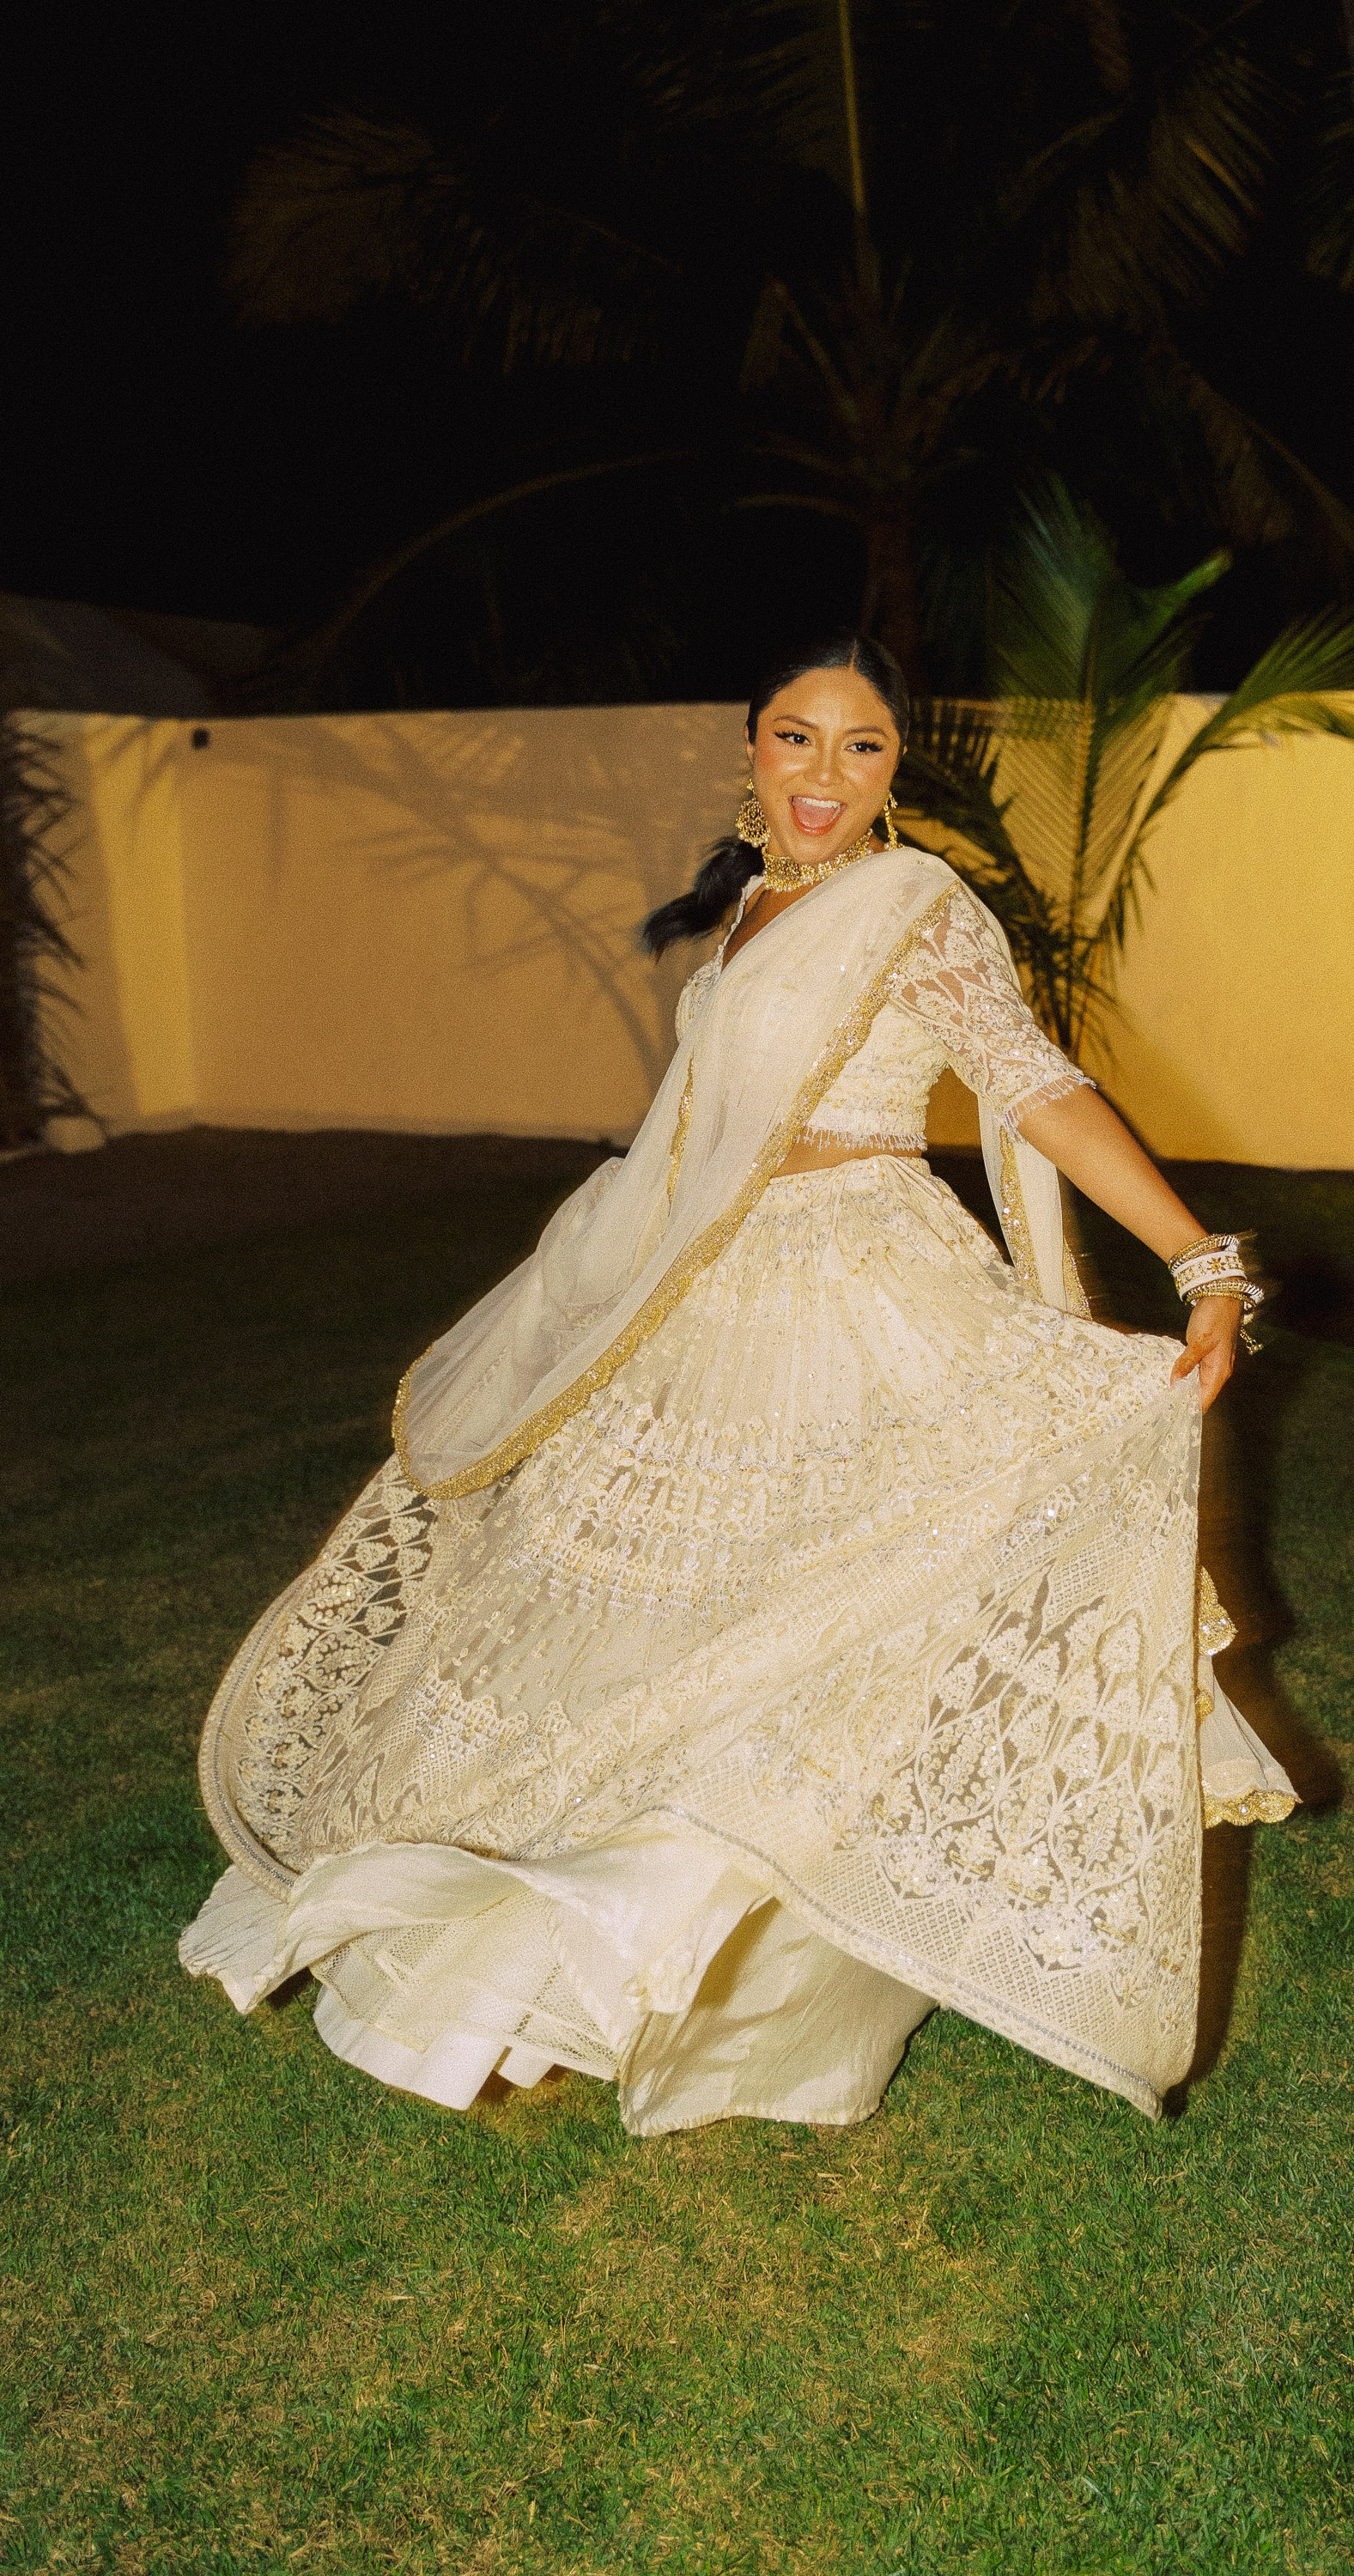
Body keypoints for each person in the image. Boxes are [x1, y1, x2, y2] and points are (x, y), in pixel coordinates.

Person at [180, 632, 1296, 2137]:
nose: (825, 773)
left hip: (859, 1292)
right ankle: (586, 1947)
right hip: (709, 1301)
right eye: (798, 737)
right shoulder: (753, 913)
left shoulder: (917, 908)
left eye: (864, 747)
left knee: (810, 1628)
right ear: (749, 748)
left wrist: (1199, 1259)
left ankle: (699, 1958)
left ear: (899, 772)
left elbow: (1034, 1084)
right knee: (652, 1629)